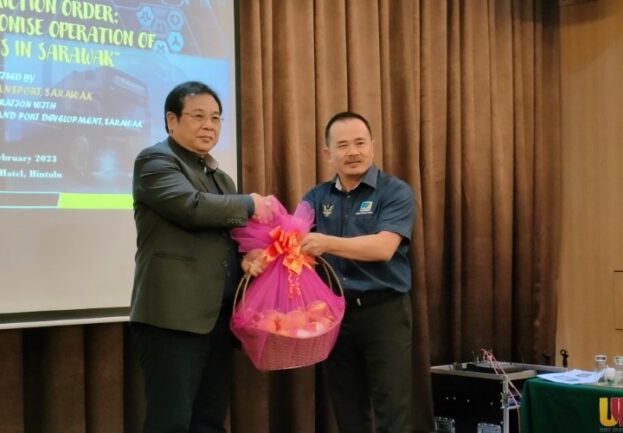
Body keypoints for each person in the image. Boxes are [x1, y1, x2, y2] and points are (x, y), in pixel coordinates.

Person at [130, 81, 277, 433]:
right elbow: (191, 207)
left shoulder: (220, 178)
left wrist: (246, 259)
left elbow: (226, 239)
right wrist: (250, 203)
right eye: (198, 116)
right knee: (169, 423)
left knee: (209, 421)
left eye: (215, 118)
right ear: (171, 120)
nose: (209, 125)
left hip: (217, 319)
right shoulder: (154, 161)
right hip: (173, 319)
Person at [300, 111, 417, 433]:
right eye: (343, 145)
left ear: (373, 146)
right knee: (347, 411)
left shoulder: (395, 192)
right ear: (328, 153)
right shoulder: (315, 197)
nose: (353, 152)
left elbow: (383, 248)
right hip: (334, 316)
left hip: (384, 312)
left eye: (360, 143)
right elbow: (294, 243)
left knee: (393, 410)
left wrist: (326, 243)